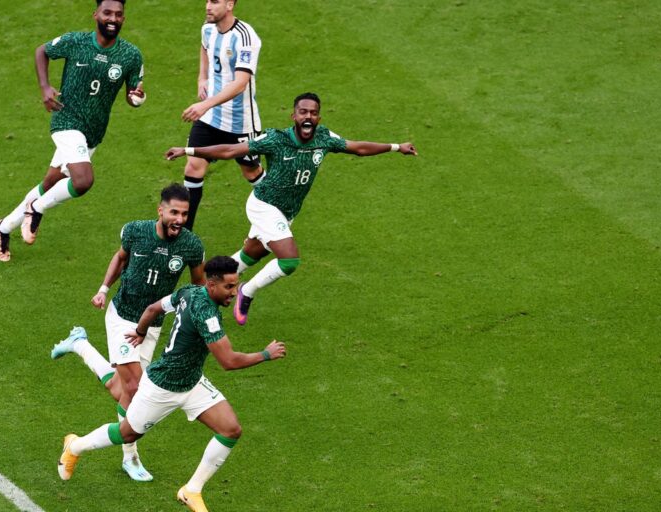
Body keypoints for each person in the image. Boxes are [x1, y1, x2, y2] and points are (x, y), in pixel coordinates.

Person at [166, 92, 418, 325]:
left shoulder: (324, 138)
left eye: (313, 112)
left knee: (251, 254)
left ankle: (199, 294)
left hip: (287, 214)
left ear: (318, 117)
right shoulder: (276, 139)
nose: (308, 116)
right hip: (264, 206)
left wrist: (396, 147)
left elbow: (359, 148)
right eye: (303, 112)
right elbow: (231, 149)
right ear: (294, 116)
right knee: (289, 260)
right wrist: (188, 150)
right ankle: (246, 291)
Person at [57, 256, 285, 512]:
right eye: (229, 287)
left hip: (191, 382)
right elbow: (228, 361)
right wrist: (265, 354)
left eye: (236, 285)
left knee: (230, 429)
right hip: (163, 386)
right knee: (127, 433)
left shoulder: (189, 291)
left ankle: (192, 490)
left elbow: (154, 308)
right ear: (211, 285)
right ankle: (74, 445)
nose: (234, 292)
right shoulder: (206, 313)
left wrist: (141, 331)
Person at [50, 183, 205, 481]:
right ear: (160, 210)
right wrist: (103, 289)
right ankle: (130, 458)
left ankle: (79, 344)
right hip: (122, 318)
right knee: (134, 390)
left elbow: (197, 285)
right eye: (174, 212)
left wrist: (195, 317)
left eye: (184, 214)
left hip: (153, 325)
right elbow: (120, 258)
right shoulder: (135, 231)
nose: (179, 219)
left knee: (122, 391)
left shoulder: (191, 246)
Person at [0, 0, 145, 261]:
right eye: (107, 12)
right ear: (96, 14)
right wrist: (45, 88)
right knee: (83, 181)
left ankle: (3, 228)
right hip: (66, 121)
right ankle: (36, 209)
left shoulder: (131, 55)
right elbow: (42, 51)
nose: (113, 18)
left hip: (93, 132)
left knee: (52, 182)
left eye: (119, 14)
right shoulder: (76, 42)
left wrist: (137, 97)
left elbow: (134, 95)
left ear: (123, 19)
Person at [179, 0, 264, 230]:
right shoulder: (207, 28)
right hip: (210, 118)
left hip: (241, 123)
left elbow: (240, 84)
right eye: (207, 1)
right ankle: (185, 234)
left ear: (229, 4)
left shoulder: (246, 37)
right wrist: (202, 77)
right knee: (193, 167)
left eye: (214, 1)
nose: (207, 6)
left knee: (251, 171)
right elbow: (204, 47)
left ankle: (279, 211)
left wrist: (205, 105)